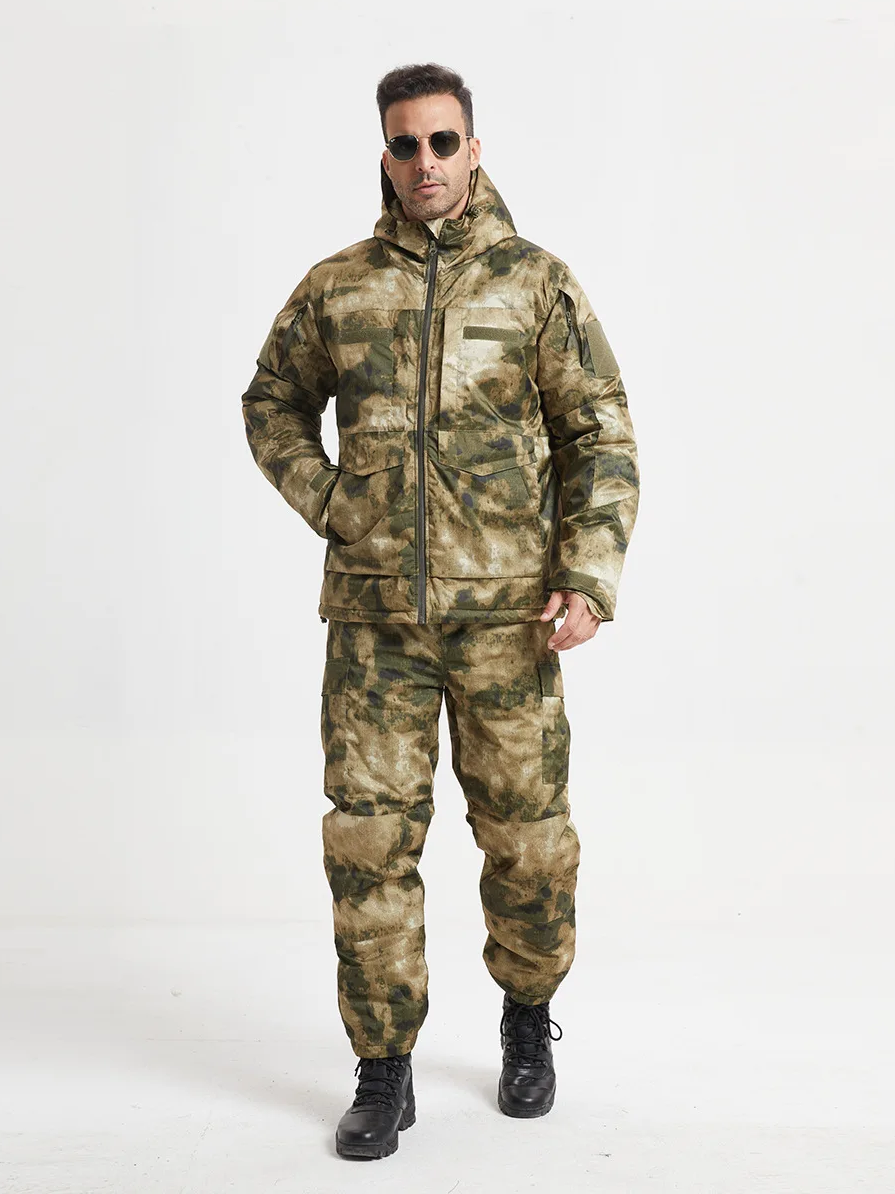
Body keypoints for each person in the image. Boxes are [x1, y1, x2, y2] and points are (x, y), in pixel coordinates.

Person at [241, 61, 640, 1160]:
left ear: (474, 148)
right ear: (386, 155)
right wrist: (333, 502)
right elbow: (272, 401)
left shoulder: (535, 284)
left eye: (443, 141)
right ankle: (383, 1068)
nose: (426, 162)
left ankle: (527, 1020)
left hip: (510, 620)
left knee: (529, 842)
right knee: (368, 842)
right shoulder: (339, 287)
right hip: (377, 626)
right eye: (406, 144)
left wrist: (587, 574)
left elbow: (600, 432)